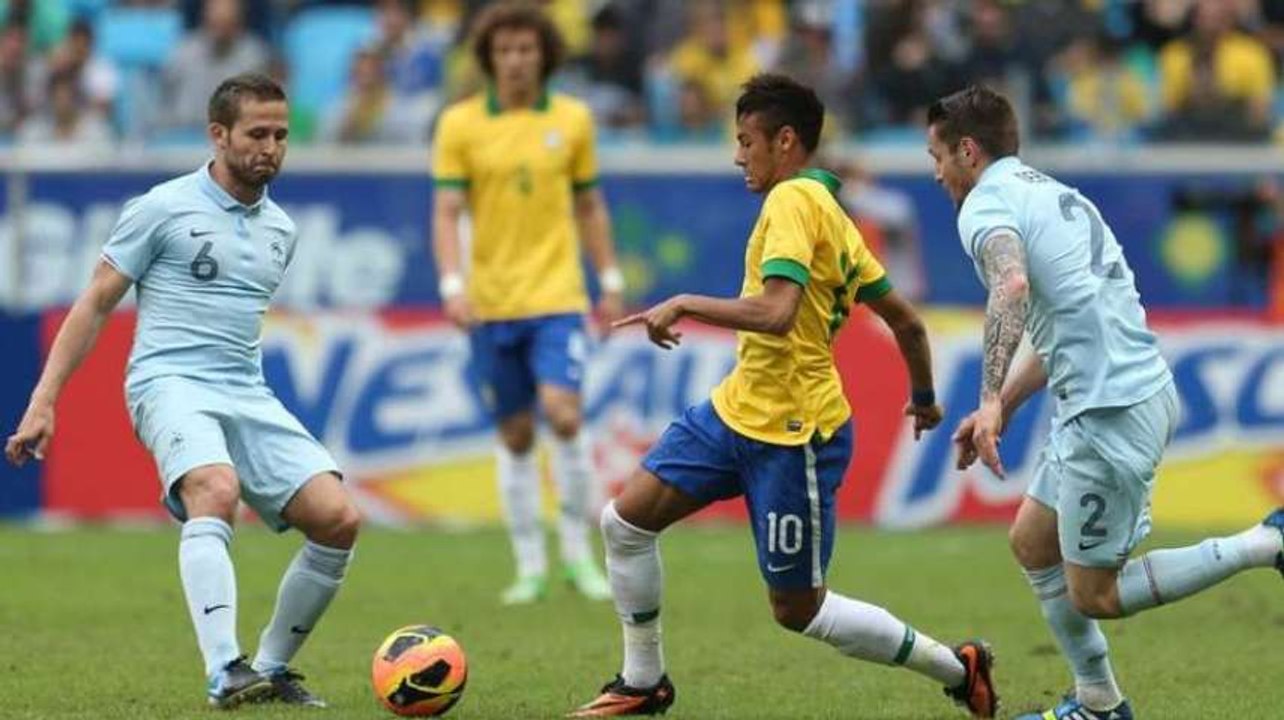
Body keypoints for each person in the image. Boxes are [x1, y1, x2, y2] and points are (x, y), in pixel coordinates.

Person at [568, 73, 998, 719]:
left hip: (795, 432)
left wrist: (684, 301)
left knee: (798, 610)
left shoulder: (794, 202)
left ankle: (957, 668)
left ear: (786, 140)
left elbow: (775, 312)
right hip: (738, 407)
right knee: (625, 523)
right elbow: (905, 321)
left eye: (746, 140)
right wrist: (926, 397)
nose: (738, 155)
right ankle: (642, 682)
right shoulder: (832, 211)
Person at [926, 85, 1284, 720]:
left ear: (969, 151)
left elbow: (1010, 286)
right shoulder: (1051, 193)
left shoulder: (985, 206)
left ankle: (1266, 542)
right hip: (1111, 398)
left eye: (939, 157)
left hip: (1111, 413)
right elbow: (1059, 328)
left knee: (1096, 594)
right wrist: (1002, 406)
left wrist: (983, 398)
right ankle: (1097, 700)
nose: (936, 173)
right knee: (1033, 543)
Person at [4, 73, 361, 710]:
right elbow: (95, 302)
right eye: (256, 134)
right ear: (218, 135)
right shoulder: (162, 208)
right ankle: (225, 668)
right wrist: (44, 398)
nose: (270, 148)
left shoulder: (281, 229)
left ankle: (270, 669)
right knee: (215, 490)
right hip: (168, 382)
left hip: (244, 389)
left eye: (280, 135)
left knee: (337, 519)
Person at [431, 1, 623, 605]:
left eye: (526, 50)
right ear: (488, 58)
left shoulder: (572, 120)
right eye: (505, 51)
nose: (516, 61)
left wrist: (610, 278)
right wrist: (452, 286)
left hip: (557, 295)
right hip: (490, 303)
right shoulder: (460, 124)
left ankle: (578, 555)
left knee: (564, 415)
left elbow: (590, 205)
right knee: (515, 434)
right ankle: (530, 565)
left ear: (545, 55)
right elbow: (446, 211)